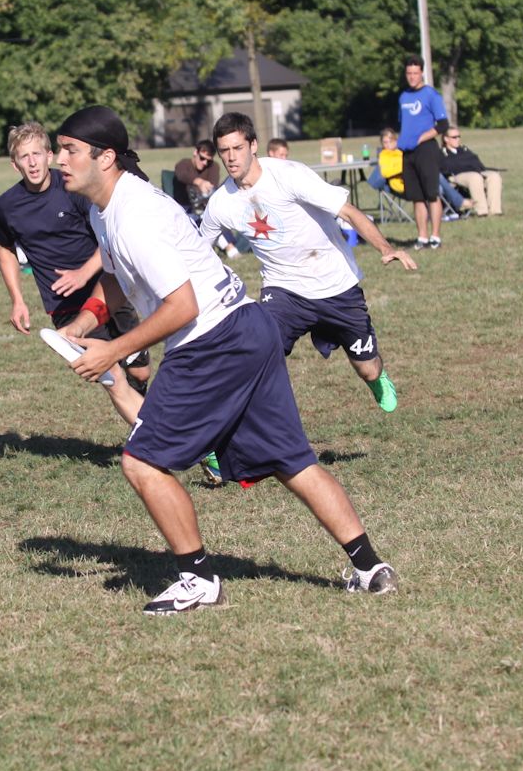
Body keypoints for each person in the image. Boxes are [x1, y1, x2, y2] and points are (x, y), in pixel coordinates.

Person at [53, 105, 399, 615]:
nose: (59, 160)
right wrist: (86, 323)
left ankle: (197, 580)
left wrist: (115, 349)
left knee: (142, 462)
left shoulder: (133, 216)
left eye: (69, 150)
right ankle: (370, 566)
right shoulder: (105, 209)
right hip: (248, 326)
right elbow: (118, 275)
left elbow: (183, 306)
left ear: (105, 158)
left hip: (211, 342)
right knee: (291, 460)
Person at [200, 112, 416, 415]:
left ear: (253, 145)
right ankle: (251, 424)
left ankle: (377, 378)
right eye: (224, 150)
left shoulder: (289, 175)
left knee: (367, 369)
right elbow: (197, 249)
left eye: (238, 148)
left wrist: (385, 247)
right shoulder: (221, 202)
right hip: (284, 289)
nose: (231, 157)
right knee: (257, 352)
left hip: (336, 284)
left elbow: (348, 211)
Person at [0, 122, 151, 400]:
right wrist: (17, 300)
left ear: (49, 155)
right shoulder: (6, 207)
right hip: (65, 306)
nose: (32, 162)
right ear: (15, 165)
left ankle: (145, 415)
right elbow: (5, 249)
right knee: (111, 374)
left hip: (107, 288)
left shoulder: (73, 188)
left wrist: (83, 273)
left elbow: (109, 236)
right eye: (24, 157)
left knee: (140, 373)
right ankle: (145, 424)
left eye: (37, 154)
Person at [397, 57, 451, 249]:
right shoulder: (403, 96)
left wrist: (421, 138)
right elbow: (402, 123)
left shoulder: (431, 95)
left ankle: (435, 236)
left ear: (422, 73)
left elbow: (443, 125)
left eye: (415, 73)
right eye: (409, 73)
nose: (412, 77)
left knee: (431, 194)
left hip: (426, 150)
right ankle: (422, 237)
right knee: (416, 196)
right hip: (407, 152)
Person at [441, 129, 504, 216]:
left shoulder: (464, 149)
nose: (458, 139)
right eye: (454, 137)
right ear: (446, 139)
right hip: (456, 176)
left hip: (476, 171)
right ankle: (482, 211)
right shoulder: (442, 153)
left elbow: (476, 162)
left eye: (459, 136)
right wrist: (467, 165)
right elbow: (449, 167)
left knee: (494, 176)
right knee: (475, 177)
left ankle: (495, 211)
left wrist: (471, 167)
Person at [172, 140, 220, 213]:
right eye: (202, 158)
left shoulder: (213, 166)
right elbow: (181, 175)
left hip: (206, 207)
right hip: (183, 207)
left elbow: (212, 186)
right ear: (195, 152)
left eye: (208, 161)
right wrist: (200, 182)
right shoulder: (183, 163)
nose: (205, 163)